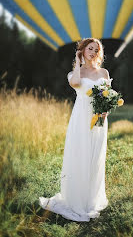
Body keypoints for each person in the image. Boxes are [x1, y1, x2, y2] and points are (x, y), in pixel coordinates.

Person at [39, 38, 113, 222]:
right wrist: (79, 62)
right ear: (82, 50)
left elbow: (109, 96)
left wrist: (105, 111)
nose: (93, 52)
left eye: (96, 49)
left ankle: (91, 200)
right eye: (90, 48)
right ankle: (76, 200)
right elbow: (76, 83)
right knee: (80, 155)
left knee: (95, 157)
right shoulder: (75, 73)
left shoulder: (104, 72)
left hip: (99, 121)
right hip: (81, 119)